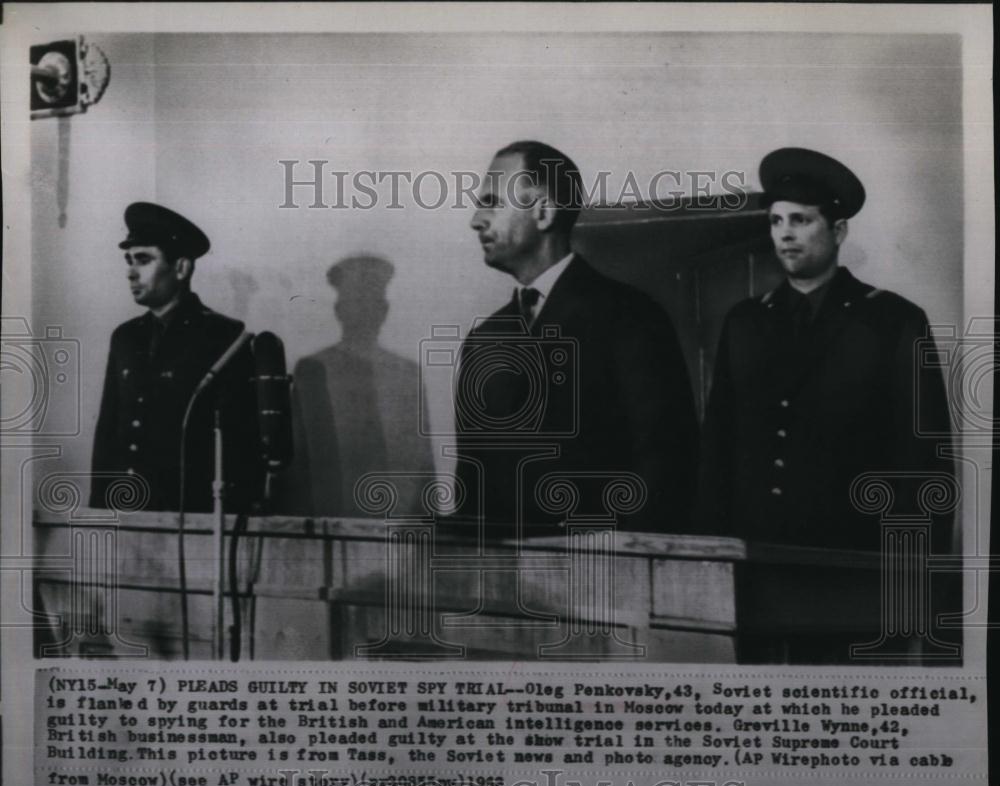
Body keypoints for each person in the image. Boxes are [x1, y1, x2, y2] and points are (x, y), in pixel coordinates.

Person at [698, 148, 953, 552]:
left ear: (838, 231)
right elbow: (716, 448)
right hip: (751, 554)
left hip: (850, 556)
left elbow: (923, 462)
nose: (784, 234)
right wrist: (709, 552)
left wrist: (913, 577)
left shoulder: (891, 320)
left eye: (800, 220)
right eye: (776, 221)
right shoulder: (744, 321)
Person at [454, 141, 698, 535]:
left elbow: (665, 467)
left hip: (603, 579)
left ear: (544, 211)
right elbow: (471, 484)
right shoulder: (485, 339)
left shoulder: (630, 316)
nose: (476, 220)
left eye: (492, 202)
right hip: (507, 588)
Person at [90, 202, 261, 512]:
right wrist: (99, 513)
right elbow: (108, 435)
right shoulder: (125, 338)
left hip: (193, 518)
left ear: (181, 268)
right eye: (128, 260)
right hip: (126, 516)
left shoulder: (223, 336)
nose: (130, 272)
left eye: (143, 260)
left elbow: (241, 442)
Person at [276, 255, 435, 517]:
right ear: (339, 309)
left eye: (372, 302)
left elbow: (424, 465)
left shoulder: (406, 374)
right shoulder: (315, 370)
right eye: (355, 302)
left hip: (397, 524)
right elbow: (296, 459)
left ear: (384, 309)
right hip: (331, 521)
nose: (364, 310)